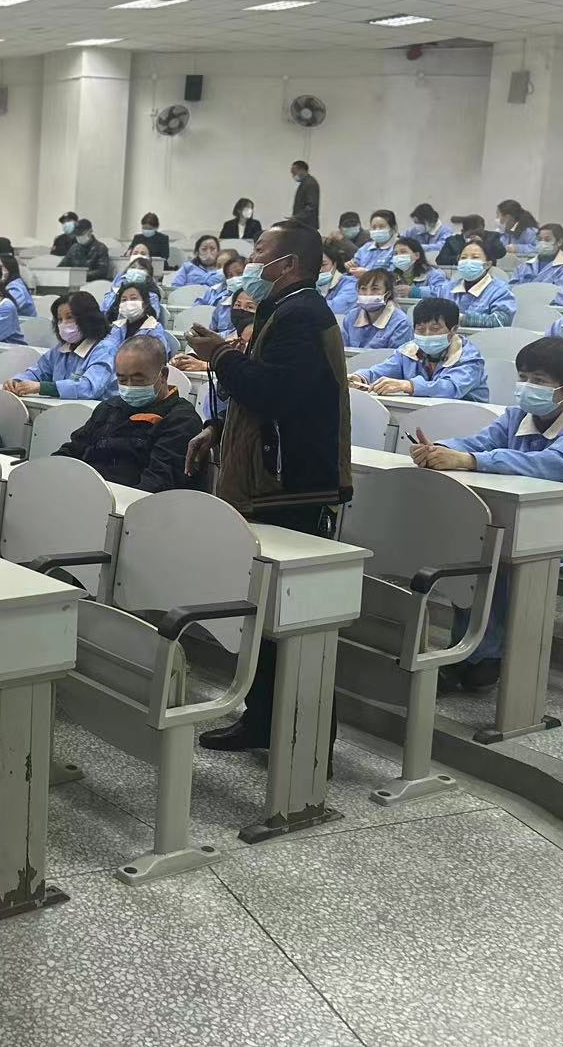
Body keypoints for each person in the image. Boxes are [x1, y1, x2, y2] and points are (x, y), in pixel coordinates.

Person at [184, 220, 349, 750]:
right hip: (270, 477)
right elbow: (265, 400)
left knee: (295, 617)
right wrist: (217, 428)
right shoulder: (282, 310)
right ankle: (263, 722)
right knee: (267, 614)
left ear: (289, 264)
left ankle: (306, 744)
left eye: (260, 251)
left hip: (292, 485)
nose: (251, 261)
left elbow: (275, 394)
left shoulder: (302, 316)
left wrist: (220, 355)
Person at [411, 338, 563, 690]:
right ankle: (470, 653)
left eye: (539, 380)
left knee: (496, 552)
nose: (527, 386)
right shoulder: (518, 416)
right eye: (523, 377)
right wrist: (440, 449)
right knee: (476, 546)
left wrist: (470, 461)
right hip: (540, 523)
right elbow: (479, 443)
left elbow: (550, 466)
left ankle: (484, 657)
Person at [55, 334, 205, 491]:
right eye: (122, 380)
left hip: (131, 500)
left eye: (138, 380)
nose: (129, 386)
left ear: (163, 375)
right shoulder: (109, 407)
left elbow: (158, 482)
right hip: (84, 491)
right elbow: (73, 450)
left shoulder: (181, 419)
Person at [352, 297, 488, 402]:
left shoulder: (469, 357)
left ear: (453, 330)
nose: (427, 334)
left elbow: (451, 388)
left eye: (435, 329)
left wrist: (409, 386)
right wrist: (359, 378)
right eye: (420, 329)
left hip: (468, 419)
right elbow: (379, 372)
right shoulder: (408, 351)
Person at [4, 292, 119, 401]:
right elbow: (38, 372)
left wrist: (42, 387)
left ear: (88, 318)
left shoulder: (105, 349)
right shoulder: (60, 349)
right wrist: (17, 382)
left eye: (70, 317)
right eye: (59, 319)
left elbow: (89, 387)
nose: (63, 324)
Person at [451, 240, 519, 328]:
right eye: (463, 257)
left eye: (475, 257)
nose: (468, 261)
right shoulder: (446, 288)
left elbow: (500, 321)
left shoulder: (501, 291)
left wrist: (460, 319)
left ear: (487, 264)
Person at [345, 268, 414, 350]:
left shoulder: (401, 323)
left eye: (375, 289)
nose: (368, 294)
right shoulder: (351, 316)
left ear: (388, 294)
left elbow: (398, 356)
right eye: (363, 289)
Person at [108, 281, 174, 355]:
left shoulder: (153, 329)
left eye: (133, 298)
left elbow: (158, 357)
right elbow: (108, 351)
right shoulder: (118, 327)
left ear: (145, 303)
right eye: (124, 300)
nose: (128, 303)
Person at [510, 223, 563, 288]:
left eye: (547, 240)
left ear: (559, 242)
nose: (542, 243)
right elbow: (511, 289)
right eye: (539, 239)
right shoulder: (524, 266)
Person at [389, 237, 450, 301]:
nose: (398, 256)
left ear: (417, 255)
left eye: (403, 252)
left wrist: (416, 292)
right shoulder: (390, 276)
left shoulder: (434, 274)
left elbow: (443, 293)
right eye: (395, 253)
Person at [436, 214, 506, 266]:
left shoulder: (492, 237)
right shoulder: (452, 241)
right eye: (472, 234)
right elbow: (440, 260)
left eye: (479, 233)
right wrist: (461, 258)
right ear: (463, 231)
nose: (476, 236)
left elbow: (501, 253)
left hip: (487, 271)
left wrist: (483, 245)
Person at [316, 241, 358, 317]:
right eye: (314, 265)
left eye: (323, 264)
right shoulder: (309, 283)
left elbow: (337, 308)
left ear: (335, 264)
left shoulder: (351, 283)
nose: (319, 270)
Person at [290, 160, 320, 228]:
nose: (293, 176)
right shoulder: (305, 183)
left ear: (302, 170)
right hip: (303, 224)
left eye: (294, 173)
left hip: (307, 225)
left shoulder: (310, 183)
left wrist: (297, 217)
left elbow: (312, 206)